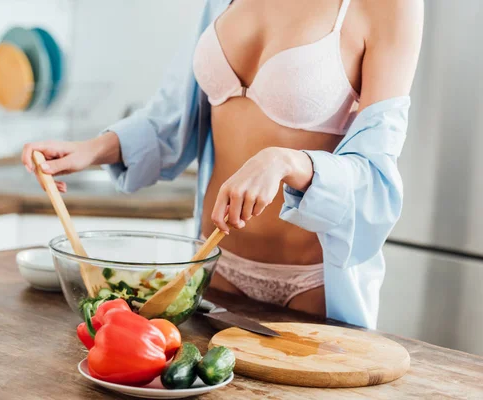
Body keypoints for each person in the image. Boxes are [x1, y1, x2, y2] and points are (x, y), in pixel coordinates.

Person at [22, 0, 423, 328]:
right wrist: (91, 150)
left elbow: (376, 176)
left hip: (311, 285)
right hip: (211, 271)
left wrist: (287, 162)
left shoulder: (389, 6)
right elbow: (174, 117)